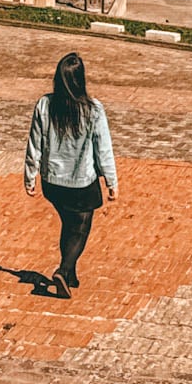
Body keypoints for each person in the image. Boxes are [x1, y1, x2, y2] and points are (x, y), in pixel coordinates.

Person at [24, 52, 117, 298]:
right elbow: (103, 148)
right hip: (81, 183)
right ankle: (64, 271)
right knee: (81, 226)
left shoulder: (45, 104)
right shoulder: (93, 109)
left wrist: (30, 175)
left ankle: (71, 274)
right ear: (81, 79)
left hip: (52, 182)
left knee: (69, 223)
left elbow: (34, 143)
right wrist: (111, 181)